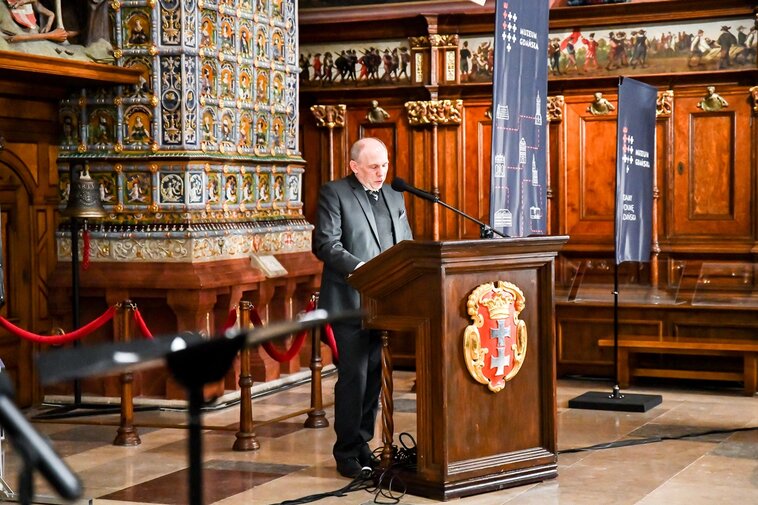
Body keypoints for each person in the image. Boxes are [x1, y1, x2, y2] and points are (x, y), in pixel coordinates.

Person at [313, 137, 413, 479]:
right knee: (353, 378)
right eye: (373, 166)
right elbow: (326, 243)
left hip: (385, 301)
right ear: (354, 167)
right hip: (349, 302)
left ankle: (362, 444)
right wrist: (363, 269)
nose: (381, 172)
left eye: (384, 165)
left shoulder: (395, 194)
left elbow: (405, 243)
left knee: (374, 377)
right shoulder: (335, 192)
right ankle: (345, 451)